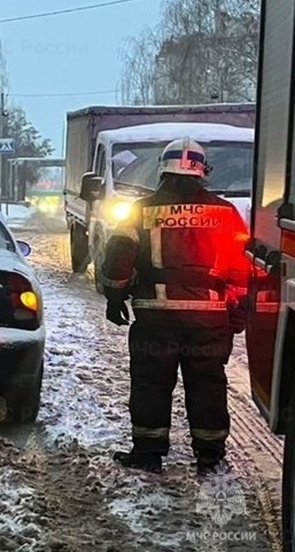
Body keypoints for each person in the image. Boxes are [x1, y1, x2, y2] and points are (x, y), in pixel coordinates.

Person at [101, 137, 250, 476]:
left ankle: (149, 453)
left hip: (155, 318)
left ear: (162, 170)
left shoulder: (140, 210)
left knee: (151, 383)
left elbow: (117, 257)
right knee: (208, 384)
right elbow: (241, 265)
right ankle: (210, 457)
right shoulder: (225, 213)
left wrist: (114, 297)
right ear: (203, 171)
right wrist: (239, 307)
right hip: (209, 319)